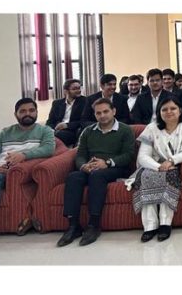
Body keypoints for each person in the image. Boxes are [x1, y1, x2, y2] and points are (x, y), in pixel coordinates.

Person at [0, 98, 55, 243]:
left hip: (14, 172)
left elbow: (48, 149)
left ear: (36, 112)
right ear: (16, 115)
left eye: (31, 110)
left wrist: (23, 155)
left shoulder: (45, 131)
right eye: (23, 111)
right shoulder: (5, 132)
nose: (27, 114)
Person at [57, 98, 135, 247]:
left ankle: (94, 224)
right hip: (91, 167)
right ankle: (73, 226)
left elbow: (128, 155)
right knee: (73, 177)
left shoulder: (125, 130)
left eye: (106, 111)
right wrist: (83, 166)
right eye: (98, 113)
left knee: (97, 176)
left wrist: (106, 163)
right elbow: (79, 154)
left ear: (114, 111)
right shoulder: (88, 131)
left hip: (115, 167)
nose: (102, 115)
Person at [127, 95, 182, 242]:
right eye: (164, 109)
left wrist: (171, 161)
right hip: (154, 166)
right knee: (145, 177)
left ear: (180, 110)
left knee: (170, 175)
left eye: (173, 108)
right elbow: (142, 156)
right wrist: (159, 167)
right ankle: (149, 226)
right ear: (159, 112)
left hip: (177, 165)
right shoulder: (151, 128)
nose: (169, 112)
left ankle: (165, 224)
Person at [46, 78, 86, 147]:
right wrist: (50, 130)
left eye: (79, 88)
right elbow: (50, 121)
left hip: (73, 131)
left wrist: (67, 125)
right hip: (56, 130)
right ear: (66, 91)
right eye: (74, 89)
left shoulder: (85, 101)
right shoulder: (57, 103)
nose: (78, 91)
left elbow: (84, 121)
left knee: (57, 136)